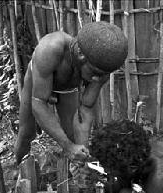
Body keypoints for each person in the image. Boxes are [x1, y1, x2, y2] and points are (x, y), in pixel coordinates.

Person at [14, 21, 128, 165]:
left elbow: (85, 109)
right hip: (38, 85)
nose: (97, 80)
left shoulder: (101, 67)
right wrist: (67, 147)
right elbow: (38, 103)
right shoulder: (49, 49)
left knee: (73, 138)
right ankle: (20, 170)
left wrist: (81, 149)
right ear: (80, 54)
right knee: (26, 133)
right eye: (95, 73)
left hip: (67, 88)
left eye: (103, 75)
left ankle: (77, 177)